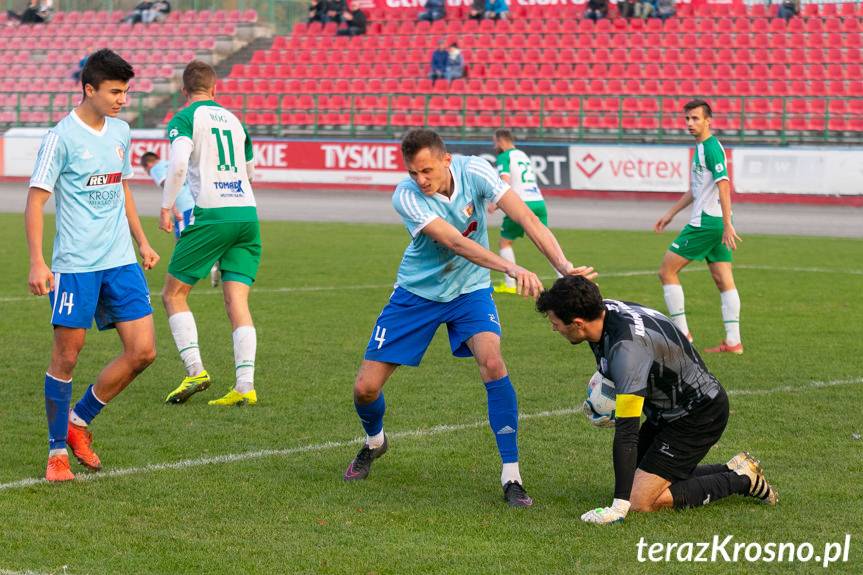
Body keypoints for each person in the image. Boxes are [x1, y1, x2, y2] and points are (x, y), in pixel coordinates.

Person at [342, 128, 597, 507]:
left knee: (493, 363)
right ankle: (375, 442)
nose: (420, 180)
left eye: (426, 171)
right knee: (365, 389)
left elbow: (526, 217)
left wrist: (564, 267)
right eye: (413, 172)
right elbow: (456, 243)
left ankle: (512, 476)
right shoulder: (406, 196)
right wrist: (511, 270)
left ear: (446, 160)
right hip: (417, 293)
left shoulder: (476, 171)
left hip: (470, 291)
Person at [535, 276, 778, 524]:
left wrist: (618, 507)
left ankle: (741, 481)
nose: (554, 328)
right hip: (666, 411)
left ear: (577, 323)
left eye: (556, 324)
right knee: (636, 476)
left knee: (638, 500)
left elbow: (627, 432)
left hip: (699, 414)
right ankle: (733, 468)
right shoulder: (602, 310)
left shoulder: (626, 350)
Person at [25, 49, 160, 482]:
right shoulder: (60, 137)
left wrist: (142, 241)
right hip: (76, 266)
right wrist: (37, 261)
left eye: (125, 92)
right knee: (67, 356)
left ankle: (78, 422)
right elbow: (36, 199)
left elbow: (122, 189)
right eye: (115, 92)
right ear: (89, 89)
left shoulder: (121, 131)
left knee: (143, 351)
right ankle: (56, 453)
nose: (123, 100)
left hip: (120, 259)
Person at [160, 60, 260, 407]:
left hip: (212, 212)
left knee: (173, 294)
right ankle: (245, 384)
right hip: (247, 213)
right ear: (215, 88)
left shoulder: (186, 118)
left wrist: (165, 205)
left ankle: (195, 370)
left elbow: (177, 164)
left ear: (185, 91)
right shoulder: (234, 119)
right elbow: (250, 171)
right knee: (237, 301)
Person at [654, 99, 743, 354]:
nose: (690, 124)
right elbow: (696, 189)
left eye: (695, 119)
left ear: (708, 121)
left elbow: (724, 185)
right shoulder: (702, 149)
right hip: (716, 222)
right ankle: (733, 341)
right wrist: (670, 213)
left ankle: (682, 335)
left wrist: (727, 224)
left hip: (707, 223)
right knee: (723, 279)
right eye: (687, 119)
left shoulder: (711, 148)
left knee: (666, 271)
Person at [489, 129, 560, 295]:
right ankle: (564, 275)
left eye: (494, 142)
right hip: (538, 201)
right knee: (545, 241)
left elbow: (505, 181)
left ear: (500, 141)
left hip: (521, 204)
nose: (494, 145)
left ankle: (510, 284)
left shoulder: (504, 156)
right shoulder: (522, 155)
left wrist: (496, 203)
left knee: (505, 243)